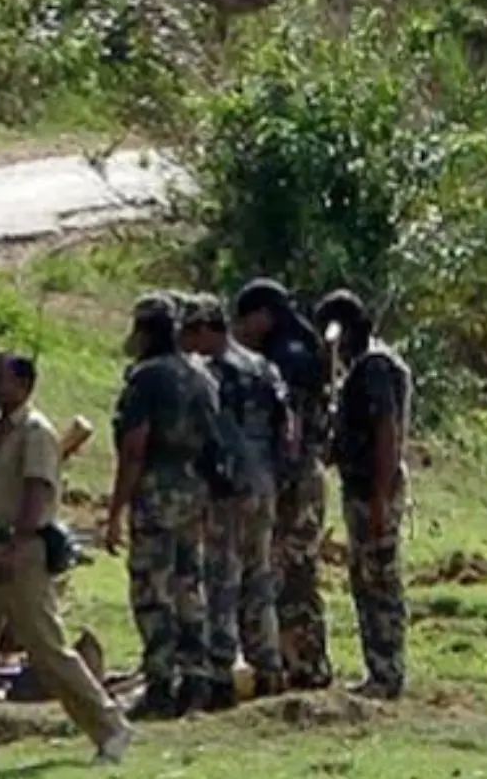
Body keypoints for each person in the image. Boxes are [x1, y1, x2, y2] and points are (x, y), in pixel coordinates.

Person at [0, 353, 134, 770]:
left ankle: (110, 726)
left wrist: (15, 544)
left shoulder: (35, 432)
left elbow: (37, 491)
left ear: (24, 386)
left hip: (20, 553)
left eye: (0, 380)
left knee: (46, 650)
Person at [103, 293, 221, 718]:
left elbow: (134, 448)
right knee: (189, 585)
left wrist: (115, 511)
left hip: (156, 490)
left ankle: (159, 684)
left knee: (152, 589)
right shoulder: (201, 375)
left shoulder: (147, 378)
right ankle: (196, 679)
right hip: (195, 491)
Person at [179, 294, 289, 707]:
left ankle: (221, 670)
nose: (188, 343)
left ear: (209, 329)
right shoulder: (263, 367)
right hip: (264, 482)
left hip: (228, 487)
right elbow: (285, 426)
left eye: (192, 332)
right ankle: (268, 663)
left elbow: (208, 433)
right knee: (259, 575)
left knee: (222, 577)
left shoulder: (212, 374)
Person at [232, 277, 334, 691]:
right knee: (296, 572)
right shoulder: (301, 349)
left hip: (295, 479)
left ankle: (305, 663)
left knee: (289, 572)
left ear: (264, 316)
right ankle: (303, 661)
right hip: (306, 474)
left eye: (246, 319)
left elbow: (289, 428)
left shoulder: (284, 359)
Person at [312, 289, 411, 701]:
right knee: (367, 577)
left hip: (374, 485)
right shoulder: (368, 366)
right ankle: (381, 668)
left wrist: (378, 497)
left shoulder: (372, 369)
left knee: (378, 578)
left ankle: (387, 671)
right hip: (366, 483)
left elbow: (387, 431)